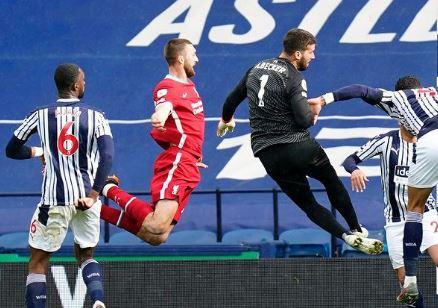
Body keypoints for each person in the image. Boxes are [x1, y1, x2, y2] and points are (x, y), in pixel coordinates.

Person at [216, 28, 384, 255]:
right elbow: (304, 120)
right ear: (297, 54)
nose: (313, 57)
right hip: (299, 146)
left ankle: (345, 236)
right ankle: (356, 228)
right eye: (310, 52)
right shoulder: (294, 77)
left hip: (268, 154)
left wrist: (226, 120)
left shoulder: (255, 69)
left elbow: (230, 101)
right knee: (331, 181)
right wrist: (314, 113)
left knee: (308, 204)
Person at [309, 76, 438, 304]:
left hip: (427, 215)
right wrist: (355, 170)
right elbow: (350, 159)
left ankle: (411, 279)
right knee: (407, 287)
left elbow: (361, 90)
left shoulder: (406, 112)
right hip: (395, 221)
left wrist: (324, 99)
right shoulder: (386, 141)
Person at [5, 63, 112, 308]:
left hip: (54, 201)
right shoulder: (96, 116)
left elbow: (11, 150)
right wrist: (94, 195)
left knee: (38, 261)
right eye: (83, 80)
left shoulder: (40, 114)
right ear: (75, 85)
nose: (85, 84)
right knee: (85, 255)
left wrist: (37, 151)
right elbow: (106, 156)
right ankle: (97, 300)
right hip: (87, 198)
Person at [98, 38, 205, 245]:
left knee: (158, 236)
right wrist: (159, 116)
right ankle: (107, 188)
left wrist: (194, 154)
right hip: (178, 161)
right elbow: (163, 106)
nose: (197, 59)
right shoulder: (167, 86)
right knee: (155, 225)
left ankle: (96, 208)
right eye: (193, 54)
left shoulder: (190, 86)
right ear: (181, 59)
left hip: (189, 162)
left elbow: (187, 126)